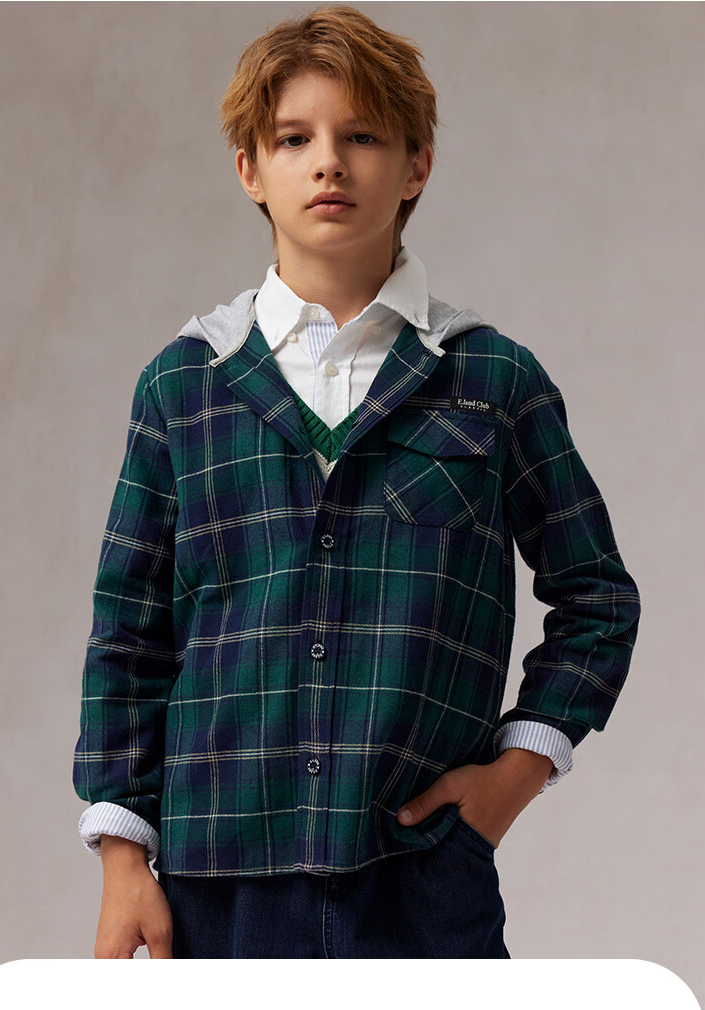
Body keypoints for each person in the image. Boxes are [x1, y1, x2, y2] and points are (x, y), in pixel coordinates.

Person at [73, 5, 641, 959]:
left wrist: (514, 775)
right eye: (294, 139)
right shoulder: (183, 387)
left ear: (416, 165)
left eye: (363, 136)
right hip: (220, 888)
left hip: (421, 879)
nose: (328, 163)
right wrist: (124, 861)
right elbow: (129, 635)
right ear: (251, 169)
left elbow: (597, 598)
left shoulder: (493, 380)